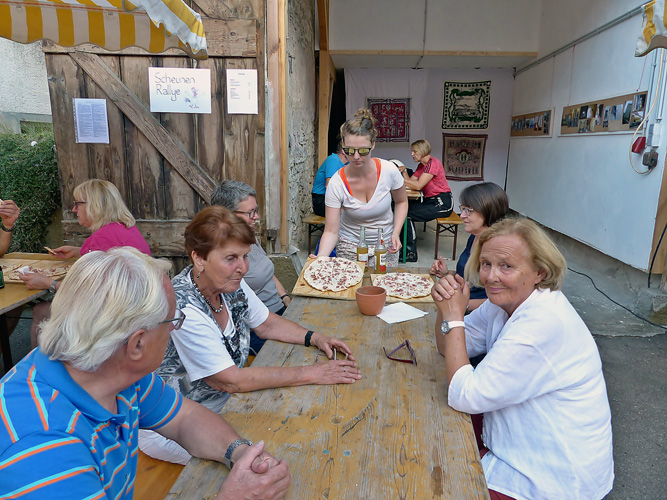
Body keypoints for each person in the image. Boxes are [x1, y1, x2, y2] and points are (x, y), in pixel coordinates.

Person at [0, 247, 290, 500]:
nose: (176, 328)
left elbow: (185, 418)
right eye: (173, 321)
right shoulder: (46, 448)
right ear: (137, 344)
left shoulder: (112, 372)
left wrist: (239, 453)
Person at [139, 206, 361, 464]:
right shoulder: (185, 306)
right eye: (231, 258)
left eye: (245, 256)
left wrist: (314, 337)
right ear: (199, 258)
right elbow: (229, 381)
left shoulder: (228, 282)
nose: (243, 267)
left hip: (225, 404)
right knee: (286, 454)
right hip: (177, 427)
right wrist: (312, 373)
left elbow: (266, 323)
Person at [431, 218, 614, 500]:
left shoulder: (541, 322)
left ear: (540, 271)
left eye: (507, 266)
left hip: (554, 476)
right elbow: (449, 346)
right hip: (529, 442)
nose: (491, 277)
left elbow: (464, 395)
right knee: (431, 433)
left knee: (434, 474)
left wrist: (455, 316)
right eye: (486, 263)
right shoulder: (505, 302)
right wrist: (446, 309)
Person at [21, 179, 151, 347]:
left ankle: (43, 367)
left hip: (119, 316)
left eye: (77, 204)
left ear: (94, 205)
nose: (74, 209)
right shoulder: (124, 227)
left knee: (41, 311)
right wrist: (78, 251)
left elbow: (85, 294)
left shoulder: (100, 238)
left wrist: (47, 283)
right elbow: (111, 254)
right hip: (138, 306)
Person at [315, 108, 408, 269]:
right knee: (352, 288)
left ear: (373, 145)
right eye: (350, 151)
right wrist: (320, 259)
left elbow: (401, 201)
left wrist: (396, 233)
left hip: (385, 243)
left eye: (363, 151)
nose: (356, 157)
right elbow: (331, 231)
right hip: (350, 245)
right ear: (343, 147)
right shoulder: (337, 183)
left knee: (383, 287)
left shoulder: (389, 171)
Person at [211, 180, 292, 354]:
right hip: (258, 328)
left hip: (280, 311)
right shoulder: (220, 254)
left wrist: (285, 297)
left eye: (256, 211)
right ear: (228, 215)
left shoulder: (249, 237)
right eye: (251, 212)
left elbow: (268, 272)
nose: (257, 217)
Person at [430, 182, 509, 312]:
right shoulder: (474, 237)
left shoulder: (499, 248)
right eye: (463, 209)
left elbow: (504, 299)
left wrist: (464, 305)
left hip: (481, 317)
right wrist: (446, 273)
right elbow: (468, 280)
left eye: (469, 211)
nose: (462, 215)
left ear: (488, 210)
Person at [398, 139, 453, 262]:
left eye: (414, 151)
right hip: (430, 201)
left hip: (442, 203)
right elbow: (411, 183)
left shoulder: (434, 163)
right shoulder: (421, 166)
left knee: (408, 215)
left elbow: (418, 186)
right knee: (404, 211)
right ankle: (403, 246)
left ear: (423, 151)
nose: (412, 154)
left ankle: (410, 253)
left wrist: (396, 178)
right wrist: (404, 171)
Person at [311, 141, 347, 217]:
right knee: (349, 214)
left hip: (332, 199)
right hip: (321, 200)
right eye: (352, 149)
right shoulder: (333, 160)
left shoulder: (347, 164)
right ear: (343, 151)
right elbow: (329, 186)